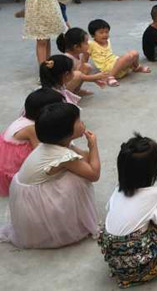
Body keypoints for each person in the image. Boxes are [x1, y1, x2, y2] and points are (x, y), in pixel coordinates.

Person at [0, 102, 100, 248]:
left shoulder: (51, 144)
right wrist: (93, 146)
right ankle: (56, 228)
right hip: (35, 204)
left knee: (79, 169)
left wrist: (90, 154)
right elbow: (94, 174)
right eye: (78, 121)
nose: (83, 123)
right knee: (78, 178)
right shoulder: (62, 155)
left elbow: (85, 158)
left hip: (29, 199)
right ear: (66, 131)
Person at [98, 134, 157, 288]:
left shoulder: (118, 190)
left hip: (116, 265)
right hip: (143, 268)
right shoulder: (156, 194)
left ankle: (128, 270)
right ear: (154, 169)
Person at [0, 88, 64, 196]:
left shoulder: (25, 118)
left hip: (6, 162)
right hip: (12, 171)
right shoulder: (32, 129)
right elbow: (42, 153)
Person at [88, 19, 150, 87]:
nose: (105, 35)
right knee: (127, 57)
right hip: (108, 69)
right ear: (93, 35)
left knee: (134, 53)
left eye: (107, 32)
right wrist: (83, 67)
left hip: (116, 64)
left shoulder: (107, 41)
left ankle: (136, 67)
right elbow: (85, 55)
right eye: (101, 33)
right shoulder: (91, 44)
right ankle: (109, 77)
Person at [57, 27, 109, 95]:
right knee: (77, 74)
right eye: (86, 43)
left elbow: (82, 74)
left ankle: (75, 91)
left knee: (86, 67)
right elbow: (79, 76)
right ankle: (66, 96)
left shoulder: (80, 55)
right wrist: (95, 77)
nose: (88, 44)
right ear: (76, 47)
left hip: (70, 81)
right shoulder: (67, 59)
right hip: (60, 89)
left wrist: (96, 80)